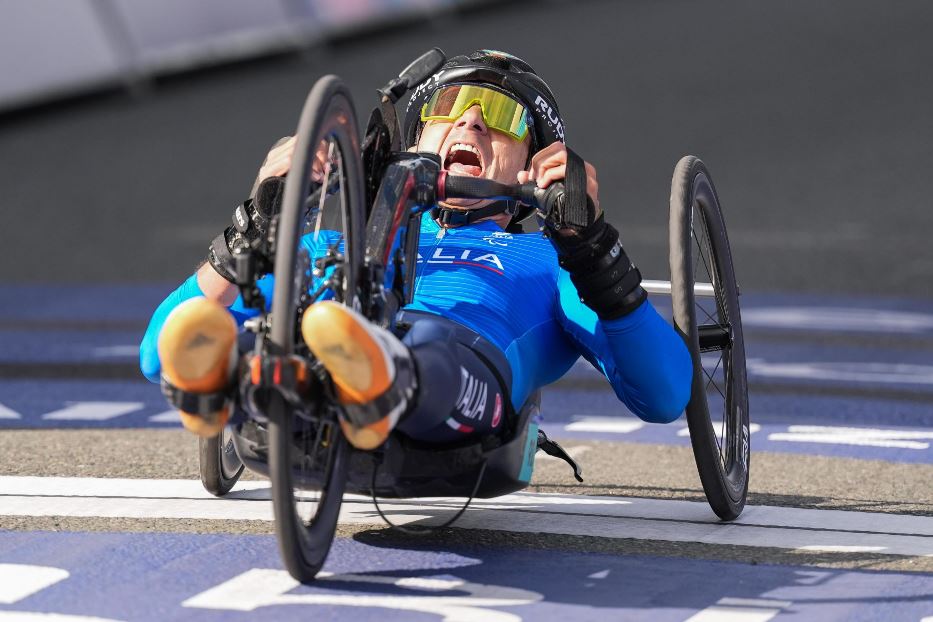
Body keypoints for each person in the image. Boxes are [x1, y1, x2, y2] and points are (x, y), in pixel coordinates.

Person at [140, 50, 692, 451]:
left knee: (425, 342)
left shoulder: (549, 261)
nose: (471, 119)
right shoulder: (329, 245)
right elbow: (153, 352)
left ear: (531, 168)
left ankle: (379, 371)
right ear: (416, 143)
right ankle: (239, 378)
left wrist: (592, 247)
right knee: (258, 328)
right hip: (320, 352)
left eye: (502, 117)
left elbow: (665, 395)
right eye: (450, 105)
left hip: (458, 376)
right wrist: (259, 222)